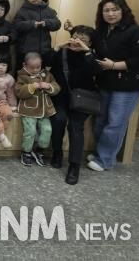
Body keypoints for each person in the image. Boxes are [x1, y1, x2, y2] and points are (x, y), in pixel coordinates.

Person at [87, 0, 139, 172]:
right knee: (100, 120)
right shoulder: (101, 31)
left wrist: (114, 66)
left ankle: (105, 160)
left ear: (123, 11)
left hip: (127, 86)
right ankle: (100, 153)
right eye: (106, 10)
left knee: (115, 123)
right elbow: (95, 51)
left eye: (115, 10)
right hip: (105, 82)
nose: (111, 14)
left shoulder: (136, 31)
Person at [49, 25, 100, 184]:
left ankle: (74, 166)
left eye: (83, 40)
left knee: (75, 126)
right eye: (76, 37)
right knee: (58, 120)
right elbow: (46, 64)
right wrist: (57, 47)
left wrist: (87, 52)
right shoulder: (63, 52)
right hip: (61, 97)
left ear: (90, 43)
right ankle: (57, 153)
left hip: (82, 99)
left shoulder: (91, 56)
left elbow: (96, 71)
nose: (78, 41)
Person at [15, 52, 60, 167]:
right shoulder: (22, 76)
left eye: (38, 67)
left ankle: (39, 150)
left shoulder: (47, 74)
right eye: (32, 67)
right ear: (24, 65)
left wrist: (49, 86)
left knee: (47, 130)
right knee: (30, 131)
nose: (35, 70)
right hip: (29, 110)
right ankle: (26, 152)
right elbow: (19, 92)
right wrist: (31, 87)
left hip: (45, 111)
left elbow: (57, 87)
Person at [13, 0, 61, 67]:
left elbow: (57, 24)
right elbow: (16, 25)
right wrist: (32, 24)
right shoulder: (22, 10)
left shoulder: (49, 10)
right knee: (24, 73)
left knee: (42, 73)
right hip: (26, 51)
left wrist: (46, 23)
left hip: (44, 50)